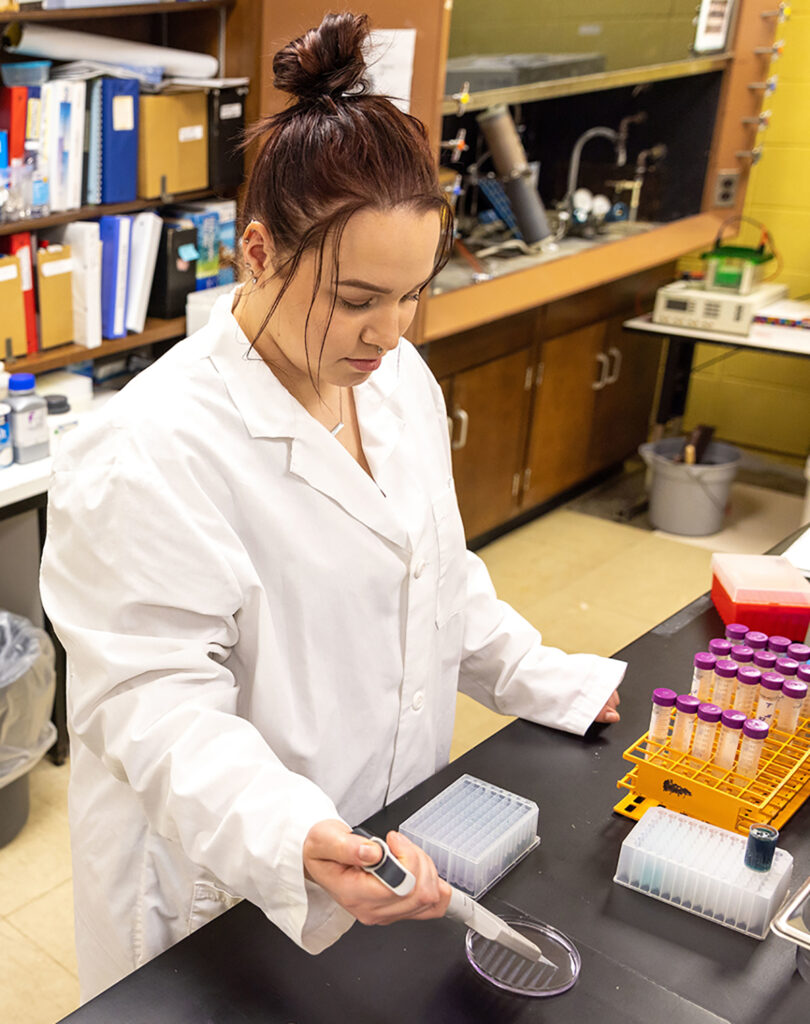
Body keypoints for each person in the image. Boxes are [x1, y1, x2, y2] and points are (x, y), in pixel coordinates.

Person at [40, 12, 623, 1002]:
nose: (389, 333)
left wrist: (543, 678)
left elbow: (435, 575)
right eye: (357, 297)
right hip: (222, 880)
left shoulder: (395, 384)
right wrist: (287, 831)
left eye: (411, 296)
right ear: (259, 251)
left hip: (383, 843)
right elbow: (153, 709)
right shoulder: (147, 451)